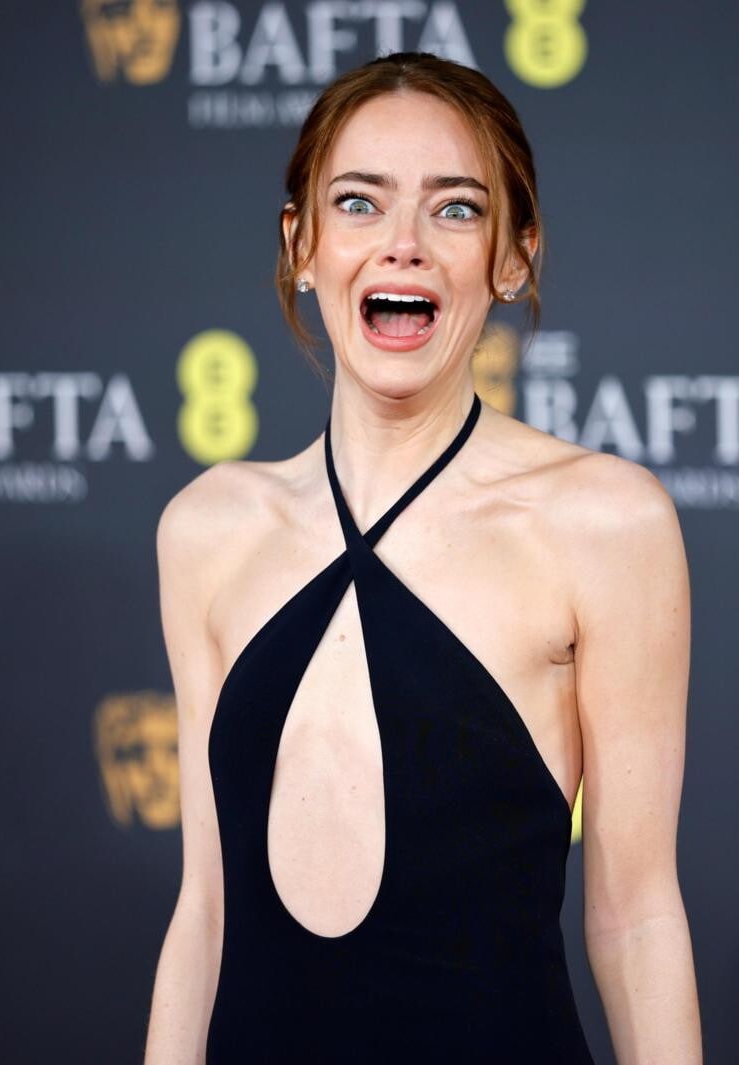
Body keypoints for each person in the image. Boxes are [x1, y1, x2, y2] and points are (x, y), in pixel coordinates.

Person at [144, 51, 700, 1063]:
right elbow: (205, 915)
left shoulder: (605, 523)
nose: (402, 245)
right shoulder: (208, 531)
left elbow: (636, 916)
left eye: (455, 209)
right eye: (358, 203)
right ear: (300, 245)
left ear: (513, 257)